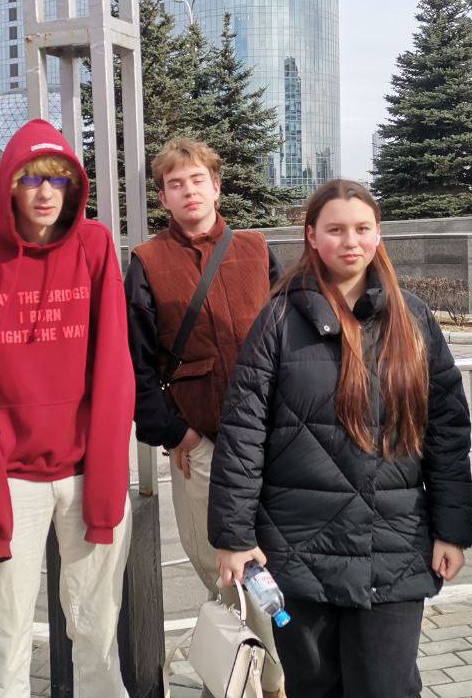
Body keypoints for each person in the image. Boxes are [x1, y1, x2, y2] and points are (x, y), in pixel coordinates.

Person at [209, 179, 472, 698]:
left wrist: (452, 530)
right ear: (311, 236)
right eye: (335, 229)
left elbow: (446, 431)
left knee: (387, 686)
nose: (349, 241)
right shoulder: (279, 318)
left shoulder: (413, 319)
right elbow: (243, 431)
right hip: (299, 549)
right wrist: (234, 537)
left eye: (361, 228)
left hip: (394, 547)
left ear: (378, 235)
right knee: (314, 687)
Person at [0, 119, 135, 698]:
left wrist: (107, 482)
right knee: (4, 637)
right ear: (8, 186)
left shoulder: (94, 246)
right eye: (30, 179)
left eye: (58, 179)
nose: (46, 192)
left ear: (73, 187)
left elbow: (113, 367)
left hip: (85, 471)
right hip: (10, 478)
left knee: (98, 633)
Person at [126, 138, 285, 696]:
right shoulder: (147, 262)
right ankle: (256, 678)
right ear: (163, 198)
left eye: (197, 180)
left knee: (275, 566)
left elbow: (291, 336)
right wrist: (176, 432)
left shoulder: (256, 249)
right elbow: (133, 363)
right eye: (176, 184)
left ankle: (274, 679)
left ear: (216, 187)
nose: (188, 191)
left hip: (273, 440)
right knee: (223, 570)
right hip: (203, 445)